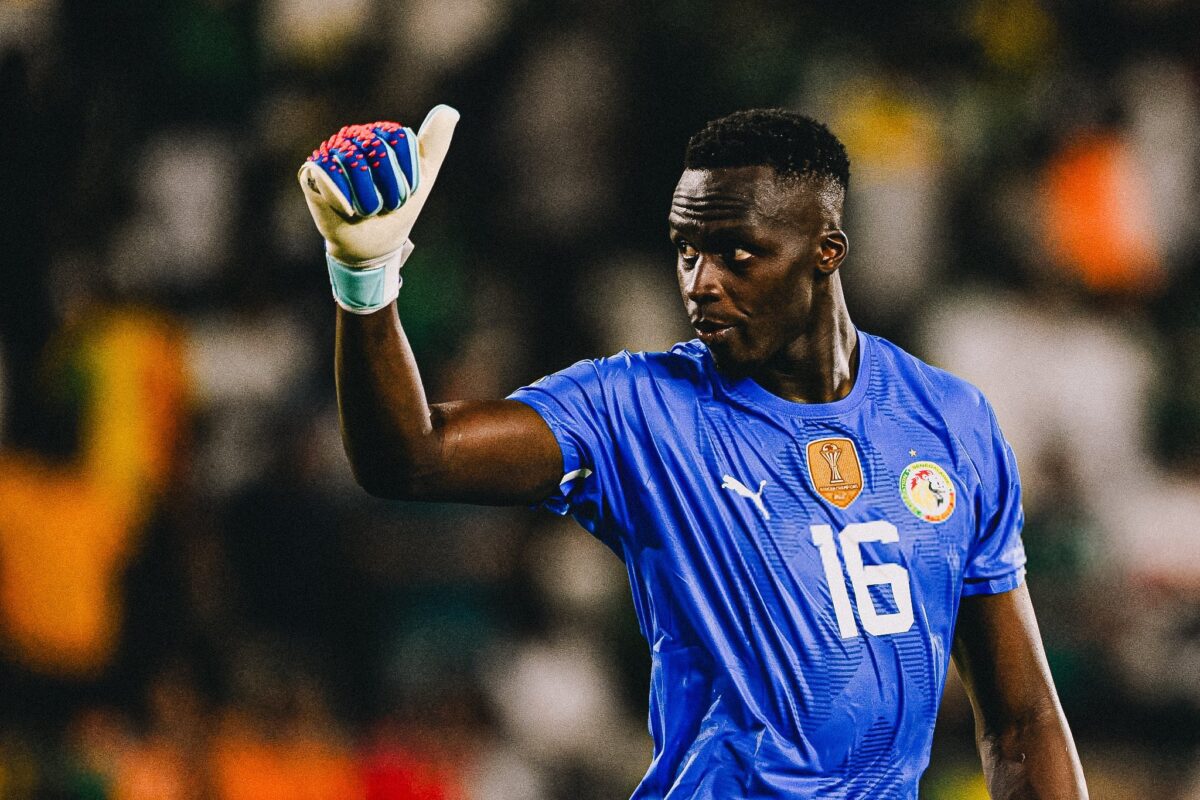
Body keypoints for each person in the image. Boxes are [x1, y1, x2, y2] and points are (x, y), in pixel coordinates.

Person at [298, 106, 1089, 799]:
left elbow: (1021, 719)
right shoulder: (636, 410)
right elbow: (411, 456)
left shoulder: (951, 421)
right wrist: (365, 279)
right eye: (685, 251)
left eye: (736, 252)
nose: (700, 283)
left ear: (826, 250)